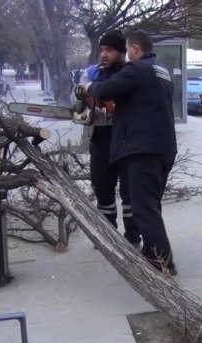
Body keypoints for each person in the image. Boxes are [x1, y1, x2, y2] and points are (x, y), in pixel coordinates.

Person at [83, 30, 178, 276]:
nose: (127, 54)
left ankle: (162, 265)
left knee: (143, 209)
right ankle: (151, 253)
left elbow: (103, 92)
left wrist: (88, 86)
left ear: (134, 48)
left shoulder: (137, 69)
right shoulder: (163, 71)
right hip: (164, 148)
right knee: (151, 205)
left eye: (126, 49)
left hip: (143, 150)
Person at [81, 30, 141, 246]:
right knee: (103, 191)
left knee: (130, 193)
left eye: (109, 50)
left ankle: (133, 238)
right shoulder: (92, 73)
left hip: (127, 142)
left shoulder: (131, 73)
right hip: (101, 140)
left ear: (122, 52)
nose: (104, 55)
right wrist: (85, 99)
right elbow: (76, 99)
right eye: (102, 50)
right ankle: (108, 238)